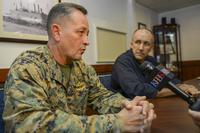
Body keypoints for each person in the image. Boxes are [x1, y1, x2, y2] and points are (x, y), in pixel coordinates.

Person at [3, 3, 156, 132]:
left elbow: (102, 97)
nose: (87, 41)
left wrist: (130, 105)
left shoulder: (83, 69)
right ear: (57, 32)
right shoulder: (28, 66)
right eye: (80, 33)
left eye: (87, 34)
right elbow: (27, 124)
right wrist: (115, 122)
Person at [111, 28, 199, 99]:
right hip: (127, 106)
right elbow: (137, 91)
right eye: (138, 42)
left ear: (151, 48)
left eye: (146, 44)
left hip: (151, 103)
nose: (141, 48)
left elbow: (170, 77)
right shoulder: (123, 61)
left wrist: (185, 87)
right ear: (131, 44)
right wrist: (177, 90)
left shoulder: (151, 60)